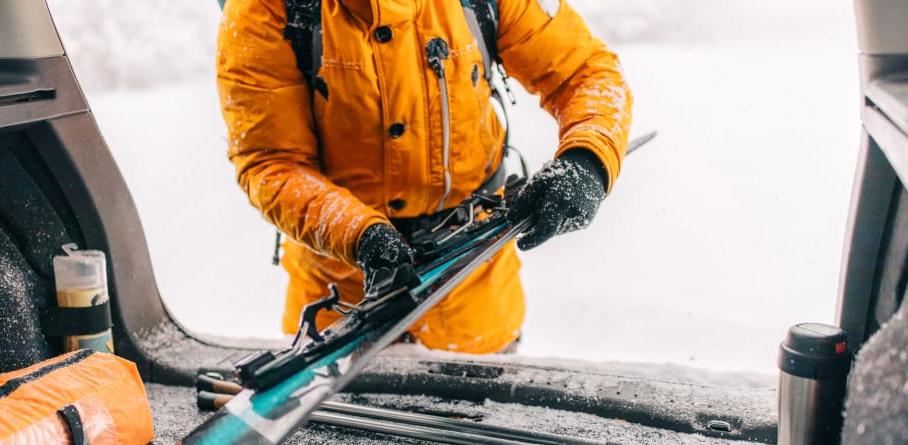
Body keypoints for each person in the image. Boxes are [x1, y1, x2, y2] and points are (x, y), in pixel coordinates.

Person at [216, 0, 632, 354]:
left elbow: (585, 72)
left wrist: (587, 159)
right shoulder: (266, 9)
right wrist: (357, 234)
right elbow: (271, 161)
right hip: (340, 318)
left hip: (476, 301)